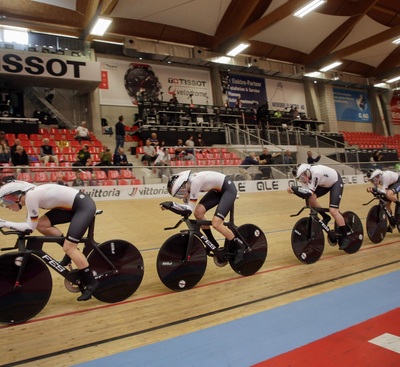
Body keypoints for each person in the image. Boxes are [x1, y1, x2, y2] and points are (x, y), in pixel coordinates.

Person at [0, 180, 99, 301]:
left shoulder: (31, 196)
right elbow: (33, 225)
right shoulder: (30, 196)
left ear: (14, 196)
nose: (6, 206)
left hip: (83, 207)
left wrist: (3, 223)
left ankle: (91, 282)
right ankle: (71, 253)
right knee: (42, 224)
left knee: (69, 247)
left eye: (5, 202)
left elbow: (30, 227)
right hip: (71, 207)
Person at [163, 170, 246, 264]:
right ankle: (212, 241)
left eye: (180, 192)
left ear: (183, 184)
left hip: (228, 190)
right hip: (216, 191)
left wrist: (172, 204)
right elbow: (187, 210)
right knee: (198, 213)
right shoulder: (187, 186)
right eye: (178, 195)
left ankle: (239, 246)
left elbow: (189, 209)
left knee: (216, 223)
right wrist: (171, 207)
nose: (181, 196)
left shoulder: (195, 182)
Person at [288, 163, 352, 249]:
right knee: (311, 199)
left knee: (333, 210)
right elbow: (305, 195)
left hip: (335, 182)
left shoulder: (316, 173)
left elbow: (309, 192)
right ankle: (325, 217)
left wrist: (295, 190)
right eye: (300, 178)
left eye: (302, 176)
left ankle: (346, 237)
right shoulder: (307, 176)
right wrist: (294, 191)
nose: (302, 179)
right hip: (324, 184)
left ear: (307, 172)